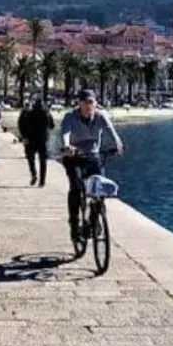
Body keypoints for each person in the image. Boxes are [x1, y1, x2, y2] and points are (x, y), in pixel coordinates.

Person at [60, 89, 123, 242]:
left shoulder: (101, 116)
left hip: (93, 156)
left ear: (95, 103)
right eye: (85, 102)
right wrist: (67, 145)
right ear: (79, 103)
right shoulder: (70, 117)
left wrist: (117, 143)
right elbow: (65, 133)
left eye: (91, 102)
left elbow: (110, 130)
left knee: (99, 189)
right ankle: (74, 223)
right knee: (76, 187)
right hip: (73, 156)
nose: (88, 105)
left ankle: (93, 221)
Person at [22, 98, 54, 187]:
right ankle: (42, 181)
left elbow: (25, 126)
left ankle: (34, 174)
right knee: (43, 161)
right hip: (43, 140)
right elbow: (52, 126)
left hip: (32, 139)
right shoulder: (47, 113)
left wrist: (25, 137)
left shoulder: (30, 113)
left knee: (30, 158)